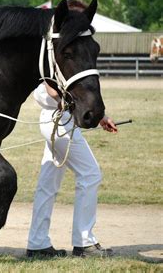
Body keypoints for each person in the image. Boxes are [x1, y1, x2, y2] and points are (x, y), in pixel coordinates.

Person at [26, 82, 118, 258]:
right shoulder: (59, 53)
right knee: (90, 174)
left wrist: (100, 116)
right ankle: (84, 243)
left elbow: (79, 88)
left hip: (55, 117)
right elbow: (50, 85)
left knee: (48, 183)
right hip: (61, 120)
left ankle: (37, 243)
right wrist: (64, 102)